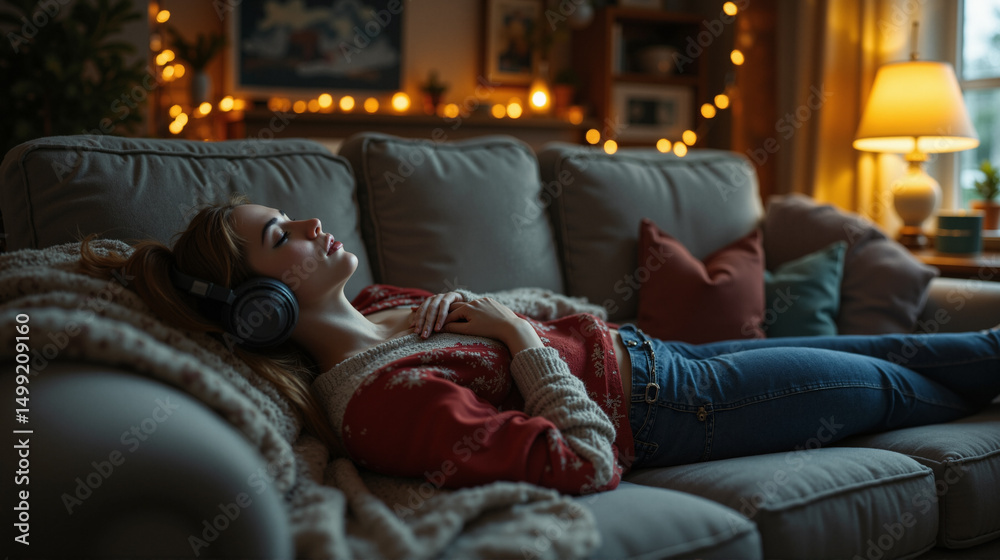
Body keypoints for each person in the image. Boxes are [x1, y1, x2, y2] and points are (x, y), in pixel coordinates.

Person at [79, 198, 1000, 496]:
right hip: (672, 409)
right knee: (887, 383)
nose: (313, 222)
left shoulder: (389, 304)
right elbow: (585, 461)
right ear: (262, 307)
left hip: (667, 359)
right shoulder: (377, 402)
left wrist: (516, 324)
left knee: (919, 355)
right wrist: (519, 336)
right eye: (281, 235)